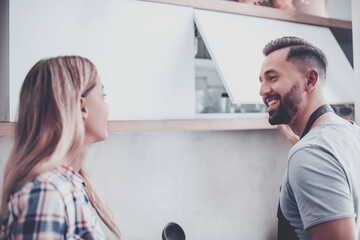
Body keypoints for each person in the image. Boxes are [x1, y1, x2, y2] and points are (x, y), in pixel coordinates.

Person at [0, 56, 121, 239]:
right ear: (82, 107)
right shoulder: (47, 192)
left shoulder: (66, 186)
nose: (107, 107)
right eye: (102, 95)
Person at [259, 36, 360, 240]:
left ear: (310, 80)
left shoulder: (310, 154)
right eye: (261, 81)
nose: (262, 91)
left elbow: (316, 158)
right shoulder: (351, 131)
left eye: (273, 78)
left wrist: (304, 149)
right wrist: (298, 140)